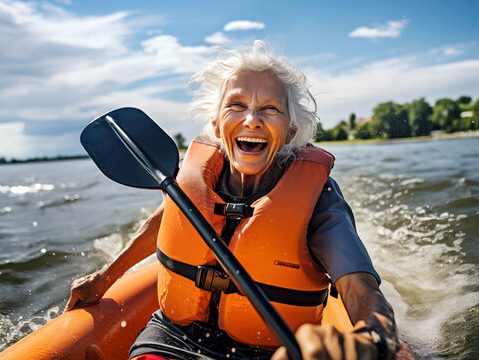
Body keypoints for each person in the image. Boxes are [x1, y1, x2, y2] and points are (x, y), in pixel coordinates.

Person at [65, 41, 401, 360]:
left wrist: (371, 338)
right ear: (216, 122)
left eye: (270, 109)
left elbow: (360, 288)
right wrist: (105, 277)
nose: (251, 119)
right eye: (236, 105)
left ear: (291, 131)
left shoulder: (320, 198)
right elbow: (165, 223)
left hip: (272, 350)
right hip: (173, 338)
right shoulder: (195, 179)